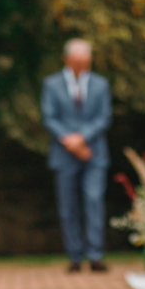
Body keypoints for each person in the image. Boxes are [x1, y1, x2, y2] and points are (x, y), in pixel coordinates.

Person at [41, 39, 112, 273]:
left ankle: (95, 255)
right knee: (68, 207)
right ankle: (74, 256)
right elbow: (49, 117)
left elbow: (104, 117)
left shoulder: (101, 84)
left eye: (85, 61)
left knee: (93, 201)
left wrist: (81, 139)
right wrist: (71, 142)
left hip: (94, 154)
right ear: (67, 60)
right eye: (77, 61)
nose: (81, 65)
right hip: (64, 154)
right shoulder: (51, 84)